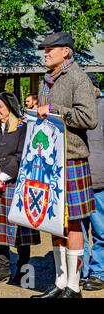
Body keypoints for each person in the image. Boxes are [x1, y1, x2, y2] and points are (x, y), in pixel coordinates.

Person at [31, 32, 98, 298]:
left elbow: (89, 118)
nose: (45, 53)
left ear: (66, 52)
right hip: (48, 159)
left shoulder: (79, 78)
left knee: (73, 225)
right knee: (53, 223)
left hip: (71, 159)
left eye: (50, 49)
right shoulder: (46, 81)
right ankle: (59, 284)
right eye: (44, 49)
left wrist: (56, 110)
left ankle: (74, 286)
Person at [0, 92, 41, 285]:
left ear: (10, 108)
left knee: (20, 232)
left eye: (0, 107)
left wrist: (3, 177)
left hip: (15, 184)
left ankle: (23, 271)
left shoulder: (23, 128)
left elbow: (20, 155)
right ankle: (3, 269)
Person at [81, 73, 104, 291]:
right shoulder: (76, 110)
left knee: (100, 230)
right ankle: (82, 270)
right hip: (77, 178)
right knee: (78, 231)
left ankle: (98, 272)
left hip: (100, 179)